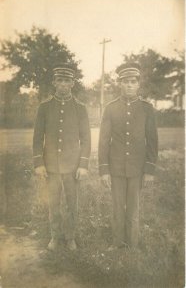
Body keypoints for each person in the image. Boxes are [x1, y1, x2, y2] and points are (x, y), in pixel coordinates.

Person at [98, 62, 158, 249]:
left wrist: (149, 170)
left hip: (137, 169)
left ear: (138, 84)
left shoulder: (147, 108)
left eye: (133, 81)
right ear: (120, 84)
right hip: (115, 168)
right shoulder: (110, 108)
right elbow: (103, 142)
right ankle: (117, 242)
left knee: (133, 208)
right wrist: (104, 170)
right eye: (125, 82)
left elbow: (152, 142)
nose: (129, 85)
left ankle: (132, 244)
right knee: (117, 207)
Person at [33, 62, 91, 251]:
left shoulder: (80, 108)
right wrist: (39, 164)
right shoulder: (44, 107)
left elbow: (86, 139)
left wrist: (83, 165)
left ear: (73, 83)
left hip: (72, 167)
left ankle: (70, 237)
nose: (64, 84)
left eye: (67, 80)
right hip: (51, 166)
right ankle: (55, 236)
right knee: (54, 203)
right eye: (60, 80)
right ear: (54, 83)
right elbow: (37, 138)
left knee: (72, 204)